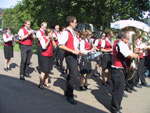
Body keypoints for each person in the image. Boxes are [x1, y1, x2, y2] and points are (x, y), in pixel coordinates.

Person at [111, 30, 138, 113]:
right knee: (118, 90)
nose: (128, 41)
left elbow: (128, 53)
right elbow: (128, 55)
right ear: (123, 38)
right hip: (118, 69)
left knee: (120, 89)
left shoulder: (121, 43)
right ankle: (115, 108)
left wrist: (134, 51)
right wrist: (136, 54)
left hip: (120, 69)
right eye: (127, 39)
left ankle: (116, 105)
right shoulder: (120, 44)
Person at [59, 16, 80, 105]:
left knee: (71, 74)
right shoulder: (66, 32)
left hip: (74, 54)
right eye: (75, 22)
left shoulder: (72, 32)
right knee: (74, 75)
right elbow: (60, 45)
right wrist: (72, 50)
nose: (76, 24)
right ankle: (70, 95)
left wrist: (78, 51)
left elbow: (74, 44)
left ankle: (68, 92)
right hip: (70, 55)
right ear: (70, 23)